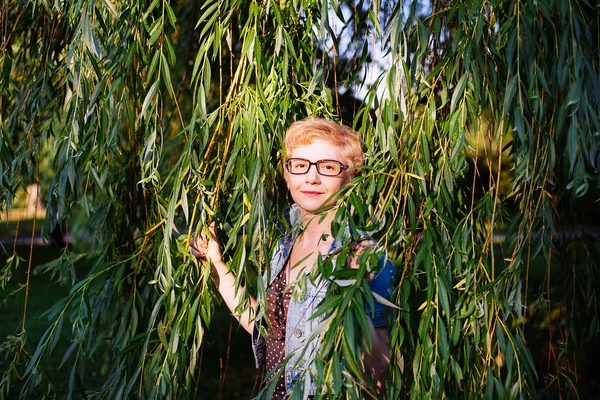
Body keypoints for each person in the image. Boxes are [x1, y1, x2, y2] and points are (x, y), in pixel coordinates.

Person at [189, 117, 396, 398]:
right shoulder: (283, 242)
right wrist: (217, 265)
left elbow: (382, 370)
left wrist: (354, 295)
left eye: (328, 167)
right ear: (287, 176)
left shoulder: (364, 254)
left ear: (350, 177)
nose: (312, 177)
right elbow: (267, 328)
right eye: (300, 166)